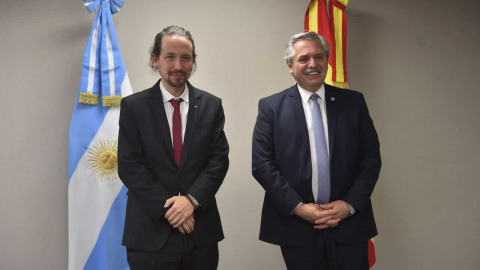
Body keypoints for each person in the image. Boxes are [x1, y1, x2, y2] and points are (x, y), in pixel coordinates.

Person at [252, 31, 381, 270]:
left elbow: (371, 158)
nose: (313, 64)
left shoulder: (354, 102)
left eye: (319, 57)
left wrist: (349, 205)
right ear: (290, 65)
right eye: (304, 59)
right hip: (297, 226)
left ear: (327, 61)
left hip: (349, 224)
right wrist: (299, 207)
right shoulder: (271, 107)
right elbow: (262, 165)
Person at [118, 25, 229, 270]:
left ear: (193, 61)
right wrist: (171, 209)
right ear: (155, 60)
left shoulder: (211, 105)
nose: (178, 66)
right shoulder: (133, 107)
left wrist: (191, 200)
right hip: (149, 234)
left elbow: (218, 160)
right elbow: (129, 165)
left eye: (185, 58)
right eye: (170, 57)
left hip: (200, 233)